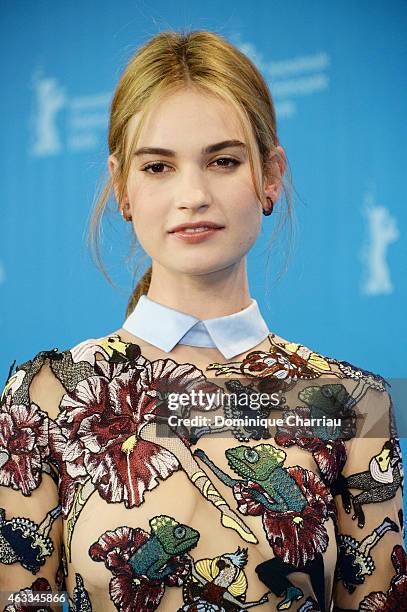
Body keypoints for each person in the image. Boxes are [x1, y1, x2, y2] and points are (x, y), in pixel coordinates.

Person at [1, 30, 405, 612]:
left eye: (222, 161)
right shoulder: (45, 397)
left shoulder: (350, 403)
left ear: (270, 176)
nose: (192, 194)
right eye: (159, 166)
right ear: (123, 188)